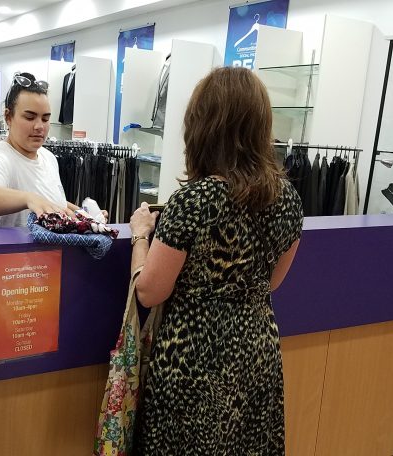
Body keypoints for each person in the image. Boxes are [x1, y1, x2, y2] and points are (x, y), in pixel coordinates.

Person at [129, 67, 303, 455]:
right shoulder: (288, 198)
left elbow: (149, 291)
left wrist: (141, 234)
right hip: (257, 351)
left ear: (203, 126)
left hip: (192, 360)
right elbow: (272, 282)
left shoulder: (195, 200)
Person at [0, 72, 79, 228]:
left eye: (45, 119)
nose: (40, 126)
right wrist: (29, 199)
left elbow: (48, 201)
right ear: (8, 117)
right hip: (8, 252)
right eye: (30, 117)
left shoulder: (48, 158)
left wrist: (81, 213)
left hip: (50, 252)